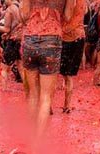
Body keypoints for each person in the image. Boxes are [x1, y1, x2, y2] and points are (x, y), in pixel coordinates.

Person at [21, 0, 75, 139]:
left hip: (30, 38)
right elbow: (68, 16)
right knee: (46, 97)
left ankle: (30, 135)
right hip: (52, 39)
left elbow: (24, 14)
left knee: (33, 94)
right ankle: (37, 144)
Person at [60, 0, 87, 113]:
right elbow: (85, 11)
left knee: (54, 74)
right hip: (79, 36)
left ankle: (49, 105)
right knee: (69, 76)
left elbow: (67, 16)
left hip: (67, 36)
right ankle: (67, 105)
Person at [0, 0, 23, 91]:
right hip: (20, 40)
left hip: (12, 42)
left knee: (4, 67)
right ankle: (28, 89)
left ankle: (3, 89)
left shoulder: (10, 10)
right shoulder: (21, 7)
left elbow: (6, 29)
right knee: (21, 67)